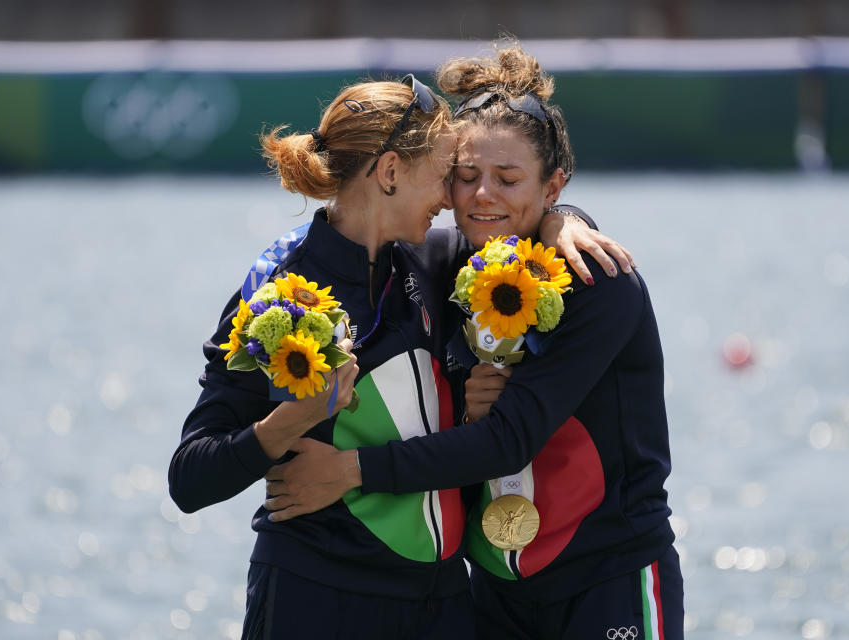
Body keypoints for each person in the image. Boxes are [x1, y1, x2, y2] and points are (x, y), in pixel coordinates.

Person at [168, 72, 632, 639]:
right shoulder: (275, 292)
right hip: (314, 598)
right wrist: (290, 423)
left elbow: (521, 218)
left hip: (444, 607)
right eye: (445, 176)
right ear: (390, 173)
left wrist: (568, 218)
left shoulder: (436, 264)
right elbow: (190, 478)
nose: (451, 198)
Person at [262, 43, 684, 640]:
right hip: (491, 596)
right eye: (466, 177)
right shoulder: (435, 264)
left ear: (552, 185)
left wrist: (351, 470)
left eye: (508, 179)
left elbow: (509, 440)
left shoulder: (600, 282)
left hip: (607, 579)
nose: (483, 196)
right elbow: (359, 236)